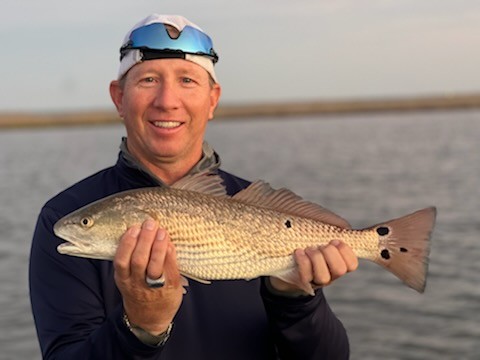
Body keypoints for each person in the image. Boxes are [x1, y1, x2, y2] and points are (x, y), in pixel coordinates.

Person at [29, 14, 358, 359]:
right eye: (148, 80)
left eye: (187, 80)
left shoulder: (259, 209)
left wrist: (294, 299)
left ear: (213, 100)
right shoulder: (61, 217)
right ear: (119, 98)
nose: (167, 100)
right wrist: (141, 328)